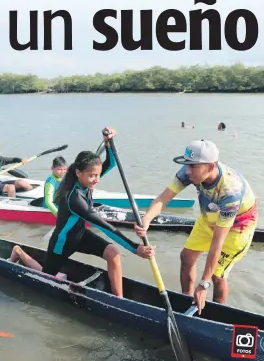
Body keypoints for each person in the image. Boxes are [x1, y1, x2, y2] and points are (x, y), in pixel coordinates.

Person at [134, 140, 257, 314]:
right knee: (186, 257)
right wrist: (146, 219)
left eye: (193, 167)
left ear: (211, 166)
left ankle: (217, 314)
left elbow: (217, 242)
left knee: (216, 275)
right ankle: (187, 300)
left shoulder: (230, 190)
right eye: (187, 165)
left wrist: (203, 283)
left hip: (238, 226)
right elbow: (163, 198)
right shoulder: (189, 172)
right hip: (210, 215)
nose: (188, 171)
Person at [42, 127, 154, 298]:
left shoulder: (87, 181)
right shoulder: (74, 198)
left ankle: (119, 300)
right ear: (79, 173)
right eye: (92, 176)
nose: (97, 180)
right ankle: (20, 253)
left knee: (113, 253)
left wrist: (108, 143)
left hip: (80, 235)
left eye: (98, 175)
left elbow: (112, 162)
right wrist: (135, 248)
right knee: (44, 279)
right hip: (62, 243)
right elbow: (103, 226)